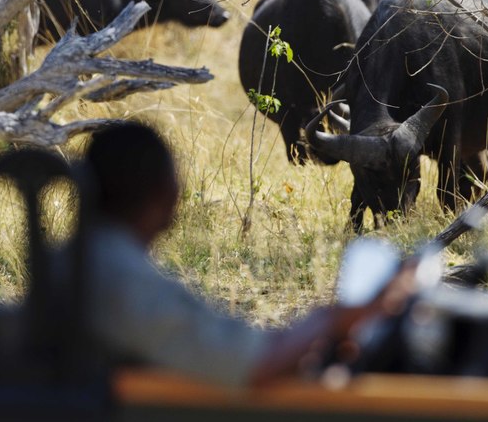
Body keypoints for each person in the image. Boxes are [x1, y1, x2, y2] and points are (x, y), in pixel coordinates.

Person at [73, 121, 408, 388]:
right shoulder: (124, 282)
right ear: (166, 193)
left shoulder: (71, 263)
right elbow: (256, 364)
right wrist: (335, 318)